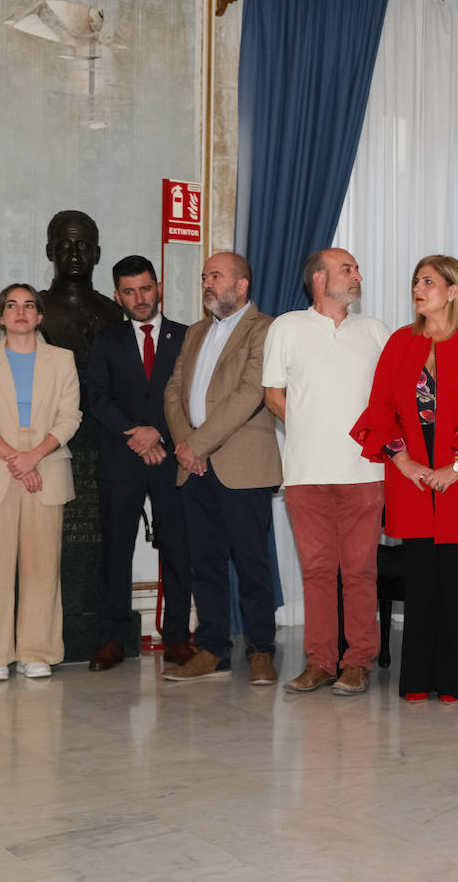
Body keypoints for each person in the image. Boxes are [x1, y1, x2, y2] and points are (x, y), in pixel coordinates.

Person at [351, 255, 458, 703]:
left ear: (453, 290)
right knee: (420, 580)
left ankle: (453, 680)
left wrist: (455, 468)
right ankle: (416, 679)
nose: (418, 289)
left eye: (428, 282)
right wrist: (404, 464)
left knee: (456, 583)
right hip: (411, 479)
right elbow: (381, 408)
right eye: (415, 281)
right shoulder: (400, 343)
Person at [263, 248, 389, 696]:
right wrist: (309, 430)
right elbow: (273, 393)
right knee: (317, 571)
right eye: (347, 269)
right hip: (305, 474)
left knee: (359, 571)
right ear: (319, 279)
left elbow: (389, 400)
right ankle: (320, 661)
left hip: (366, 473)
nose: (358, 275)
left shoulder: (374, 330)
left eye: (356, 268)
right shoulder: (287, 327)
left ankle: (357, 662)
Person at [162, 252, 282, 684]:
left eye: (216, 276)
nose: (207, 283)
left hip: (241, 464)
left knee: (251, 561)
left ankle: (261, 650)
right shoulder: (195, 332)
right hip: (193, 466)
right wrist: (184, 446)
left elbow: (251, 394)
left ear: (242, 285)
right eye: (204, 277)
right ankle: (212, 648)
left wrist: (198, 443)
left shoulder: (266, 329)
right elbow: (174, 391)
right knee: (204, 562)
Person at [0, 284, 81, 681]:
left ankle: (37, 651)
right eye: (11, 305)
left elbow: (70, 417)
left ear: (40, 316)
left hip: (45, 461)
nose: (21, 312)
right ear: (0, 317)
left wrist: (34, 456)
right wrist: (16, 458)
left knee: (42, 567)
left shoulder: (62, 360)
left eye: (29, 305)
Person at [85, 255, 194, 671]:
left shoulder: (186, 337)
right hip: (122, 458)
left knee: (178, 548)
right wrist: (137, 434)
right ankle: (112, 639)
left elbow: (189, 397)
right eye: (129, 291)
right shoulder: (106, 341)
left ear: (159, 287)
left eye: (146, 288)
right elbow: (97, 398)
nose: (140, 298)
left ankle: (179, 637)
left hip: (171, 457)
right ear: (118, 296)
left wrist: (160, 434)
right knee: (115, 550)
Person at [38, 210, 123, 370]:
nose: (74, 254)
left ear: (97, 254)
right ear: (50, 251)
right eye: (65, 246)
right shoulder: (36, 308)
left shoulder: (113, 312)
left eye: (83, 246)